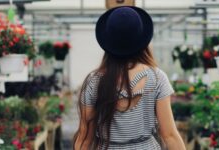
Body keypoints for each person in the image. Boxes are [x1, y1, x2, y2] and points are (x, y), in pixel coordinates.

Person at [73, 6, 186, 150]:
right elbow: (169, 135)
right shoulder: (157, 78)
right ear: (142, 41)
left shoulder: (94, 81)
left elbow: (84, 138)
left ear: (108, 41)